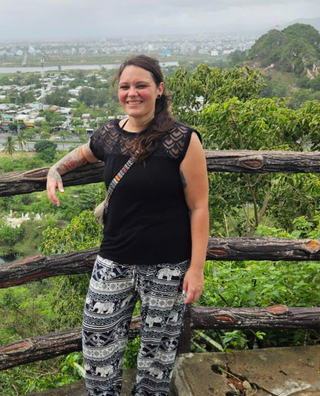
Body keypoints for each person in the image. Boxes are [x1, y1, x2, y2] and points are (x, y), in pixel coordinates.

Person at [46, 55, 209, 396]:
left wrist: (196, 269)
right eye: (125, 86)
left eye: (141, 86)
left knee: (156, 359)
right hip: (114, 260)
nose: (132, 93)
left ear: (159, 90)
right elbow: (83, 153)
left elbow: (198, 206)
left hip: (167, 265)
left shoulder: (182, 139)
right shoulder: (109, 134)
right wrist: (55, 170)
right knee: (97, 344)